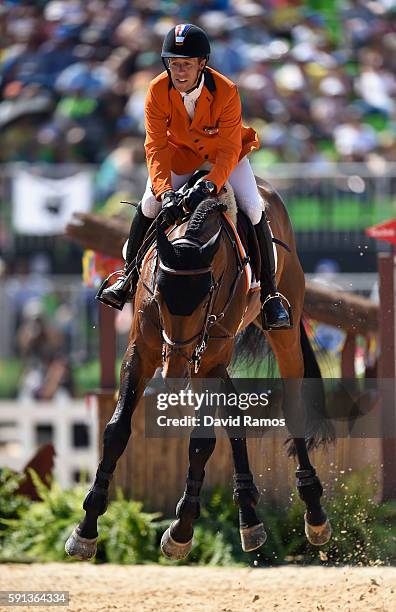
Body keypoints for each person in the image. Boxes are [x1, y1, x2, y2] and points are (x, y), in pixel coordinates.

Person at [100, 24, 290, 330]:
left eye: (186, 64)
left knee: (254, 207)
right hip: (180, 156)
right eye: (174, 64)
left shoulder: (226, 91)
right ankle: (127, 277)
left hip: (223, 157)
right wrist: (165, 193)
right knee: (149, 204)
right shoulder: (157, 91)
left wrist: (211, 184)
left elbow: (228, 149)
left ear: (202, 64)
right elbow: (156, 146)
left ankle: (270, 295)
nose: (179, 71)